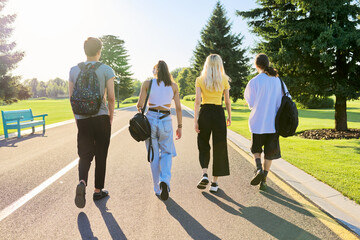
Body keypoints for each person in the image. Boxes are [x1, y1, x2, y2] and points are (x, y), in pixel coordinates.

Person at [69, 37, 116, 208]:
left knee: (84, 154)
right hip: (100, 116)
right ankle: (98, 191)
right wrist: (110, 116)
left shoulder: (74, 70)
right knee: (101, 153)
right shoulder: (106, 69)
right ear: (99, 51)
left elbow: (71, 97)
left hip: (82, 117)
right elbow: (111, 98)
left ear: (84, 50)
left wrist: (77, 118)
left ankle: (82, 182)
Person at [136, 60, 182, 201]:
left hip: (150, 120)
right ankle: (165, 181)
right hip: (166, 120)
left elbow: (140, 105)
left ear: (156, 71)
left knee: (153, 154)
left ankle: (157, 188)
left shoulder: (147, 84)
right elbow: (179, 108)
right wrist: (180, 126)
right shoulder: (173, 86)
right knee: (167, 152)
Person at [244, 53, 290, 190]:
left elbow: (251, 103)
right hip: (274, 124)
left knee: (256, 150)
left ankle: (258, 169)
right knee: (269, 154)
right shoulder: (278, 81)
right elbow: (287, 98)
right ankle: (264, 179)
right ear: (267, 64)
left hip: (258, 123)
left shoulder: (254, 82)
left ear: (256, 65)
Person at [194, 54, 231, 193]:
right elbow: (227, 101)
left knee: (203, 144)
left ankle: (204, 174)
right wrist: (229, 116)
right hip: (218, 113)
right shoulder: (224, 80)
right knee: (219, 146)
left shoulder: (200, 80)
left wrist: (196, 120)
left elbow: (197, 101)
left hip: (205, 112)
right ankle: (214, 183)